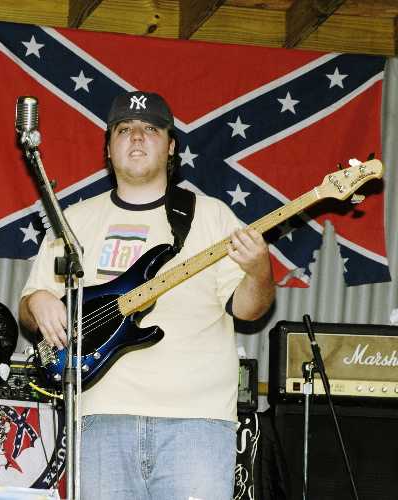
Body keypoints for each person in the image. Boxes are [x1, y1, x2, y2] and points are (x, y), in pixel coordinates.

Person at [18, 91, 275, 499]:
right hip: (99, 419)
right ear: (108, 148)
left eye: (151, 129)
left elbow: (249, 309)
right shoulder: (74, 222)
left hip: (197, 423)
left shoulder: (212, 216)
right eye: (124, 130)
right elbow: (29, 307)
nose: (137, 137)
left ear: (171, 146)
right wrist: (37, 303)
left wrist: (260, 270)